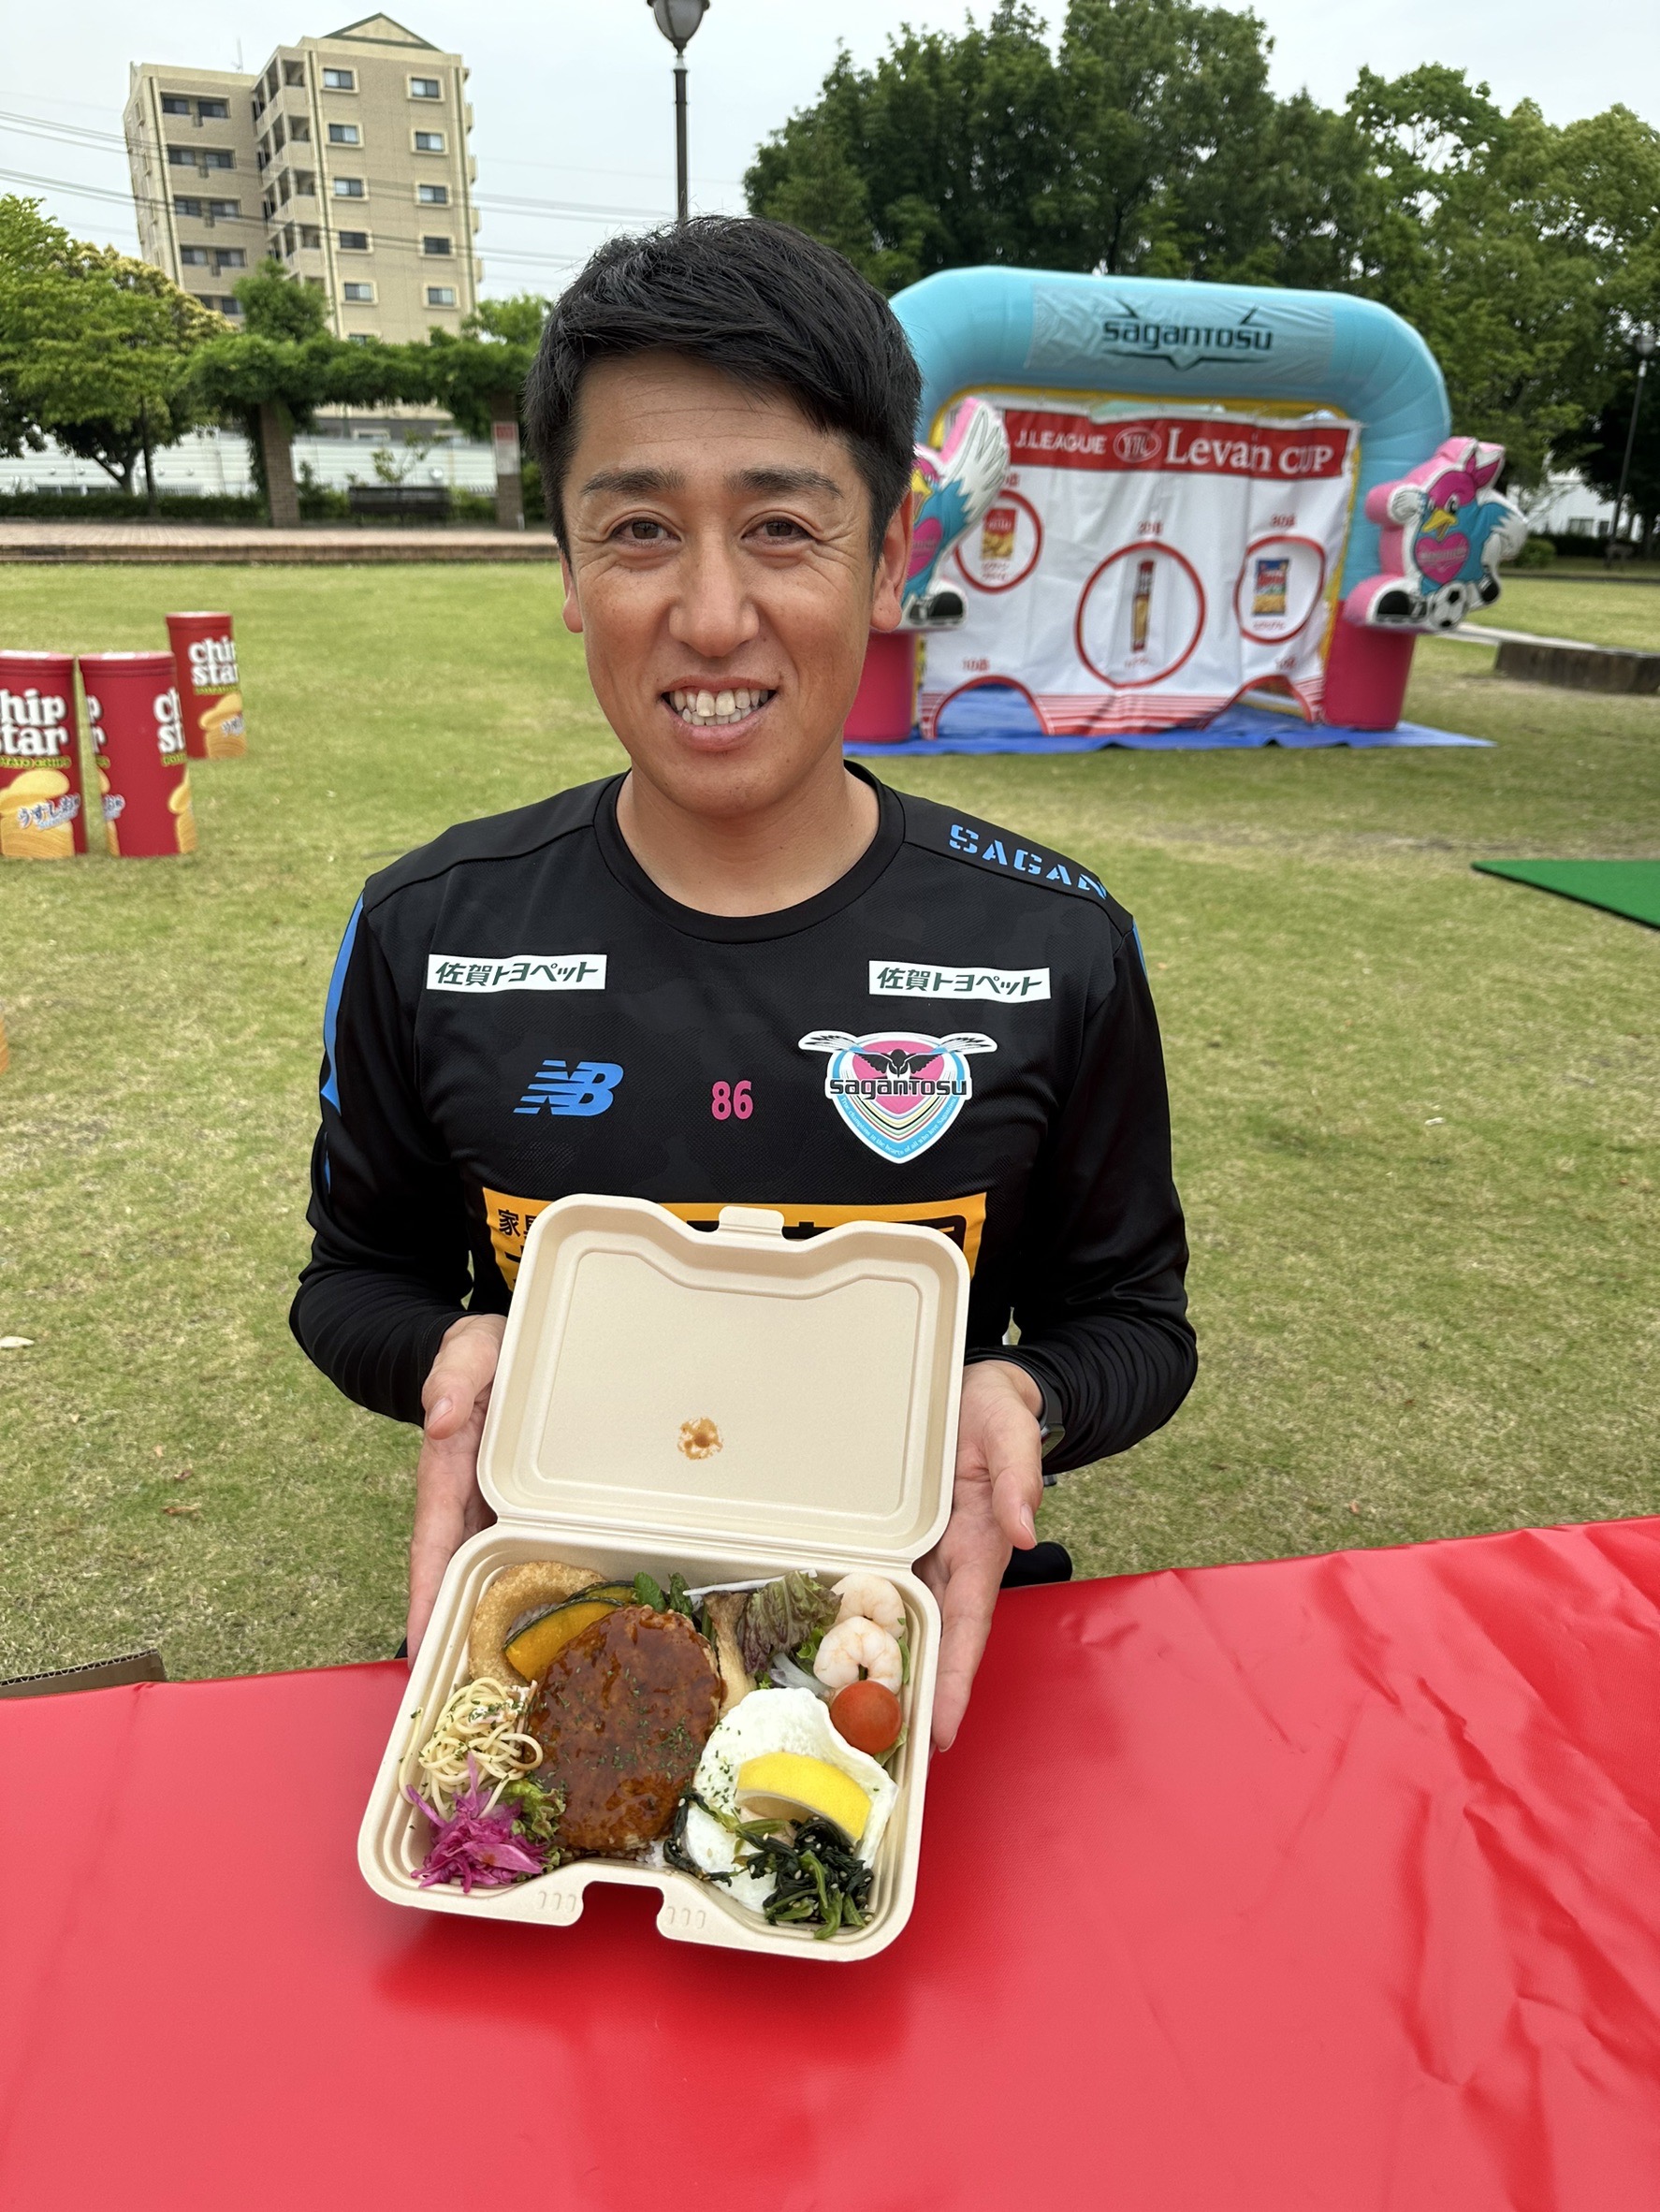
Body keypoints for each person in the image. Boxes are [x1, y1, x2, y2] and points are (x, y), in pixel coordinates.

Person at [291, 216, 1196, 1750]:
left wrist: (1024, 1402)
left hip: (896, 1637)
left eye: (781, 527)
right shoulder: (427, 927)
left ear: (891, 552)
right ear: (568, 564)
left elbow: (1131, 1320)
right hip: (562, 1622)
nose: (711, 617)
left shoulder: (1058, 944)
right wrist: (453, 1349)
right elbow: (351, 1283)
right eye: (640, 530)